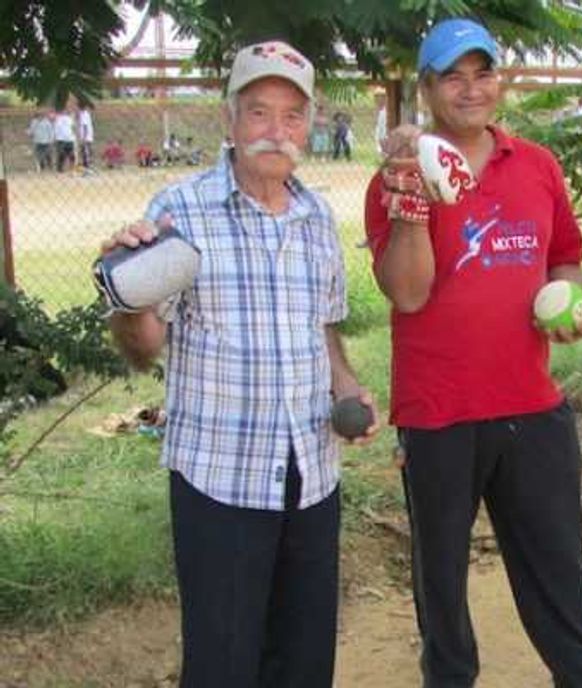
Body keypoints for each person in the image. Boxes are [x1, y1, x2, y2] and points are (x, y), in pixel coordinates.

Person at [99, 40, 378, 687]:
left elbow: (323, 328)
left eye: (291, 116)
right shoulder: (180, 210)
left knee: (305, 663)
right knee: (223, 665)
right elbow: (143, 346)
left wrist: (350, 386)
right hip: (220, 481)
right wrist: (128, 296)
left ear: (308, 127)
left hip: (312, 475)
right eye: (258, 112)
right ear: (229, 121)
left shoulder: (316, 217)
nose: (275, 131)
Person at [363, 18, 582, 688]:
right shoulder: (395, 175)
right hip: (439, 410)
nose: (471, 89)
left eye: (484, 72)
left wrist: (570, 303)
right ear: (427, 88)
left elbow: (566, 259)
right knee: (440, 582)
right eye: (453, 75)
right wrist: (412, 204)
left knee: (558, 567)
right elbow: (409, 294)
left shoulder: (535, 165)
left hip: (531, 404)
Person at [53, 108, 76, 172]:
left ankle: (72, 167)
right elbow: (56, 128)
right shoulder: (58, 119)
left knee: (71, 154)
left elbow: (73, 128)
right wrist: (55, 137)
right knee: (62, 154)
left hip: (69, 139)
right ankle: (60, 168)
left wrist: (73, 135)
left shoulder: (70, 119)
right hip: (61, 139)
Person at [77, 104, 95, 173]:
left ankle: (88, 168)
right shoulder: (84, 114)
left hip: (86, 138)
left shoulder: (84, 114)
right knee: (84, 153)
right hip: (86, 137)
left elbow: (85, 127)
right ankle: (86, 168)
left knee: (85, 153)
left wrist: (84, 138)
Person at [373, 92, 387, 156]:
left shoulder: (386, 110)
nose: (378, 100)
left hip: (385, 128)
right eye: (376, 98)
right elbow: (376, 121)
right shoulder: (378, 109)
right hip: (380, 128)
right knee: (379, 140)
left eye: (381, 97)